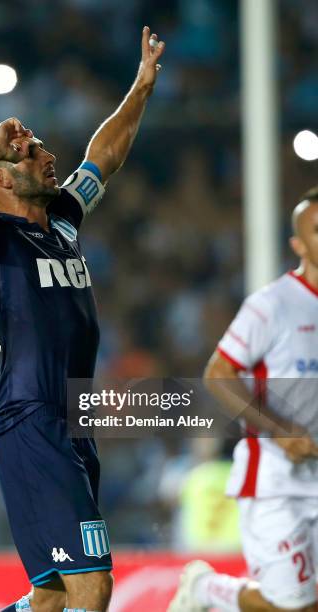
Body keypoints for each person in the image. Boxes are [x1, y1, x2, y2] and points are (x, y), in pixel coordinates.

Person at [0, 26, 165, 612]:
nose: (47, 153)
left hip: (71, 421)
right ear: (2, 178)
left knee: (51, 597)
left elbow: (101, 157)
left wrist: (140, 87)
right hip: (32, 418)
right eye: (30, 152)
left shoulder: (62, 218)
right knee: (93, 585)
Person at [168, 189, 318, 612]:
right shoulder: (272, 306)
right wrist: (281, 431)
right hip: (277, 483)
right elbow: (217, 375)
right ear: (298, 245)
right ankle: (207, 591)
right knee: (295, 608)